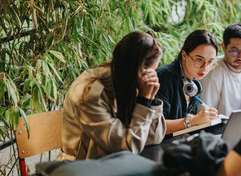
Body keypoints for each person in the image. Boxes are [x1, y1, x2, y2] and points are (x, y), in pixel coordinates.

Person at [58, 31, 166, 160]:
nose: (151, 78)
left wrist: (151, 100)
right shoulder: (90, 93)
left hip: (113, 163)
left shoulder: (131, 81)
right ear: (137, 69)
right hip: (80, 168)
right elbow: (127, 147)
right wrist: (144, 101)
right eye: (151, 72)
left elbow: (155, 137)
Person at [156, 30, 218, 134]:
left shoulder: (194, 85)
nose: (205, 68)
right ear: (184, 55)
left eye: (210, 61)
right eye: (199, 60)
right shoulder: (163, 78)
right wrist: (192, 121)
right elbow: (155, 127)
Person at [199, 23, 241, 117]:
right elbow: (205, 115)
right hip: (218, 129)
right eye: (235, 51)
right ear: (224, 47)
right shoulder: (213, 70)